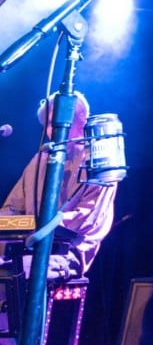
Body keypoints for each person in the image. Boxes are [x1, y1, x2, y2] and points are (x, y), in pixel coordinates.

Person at [0, 91, 117, 281]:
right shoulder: (40, 160)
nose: (49, 131)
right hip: (26, 248)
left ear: (81, 120)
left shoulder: (98, 161)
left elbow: (84, 220)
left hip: (67, 253)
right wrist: (7, 224)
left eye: (55, 124)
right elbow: (12, 210)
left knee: (25, 272)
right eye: (47, 124)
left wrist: (35, 226)